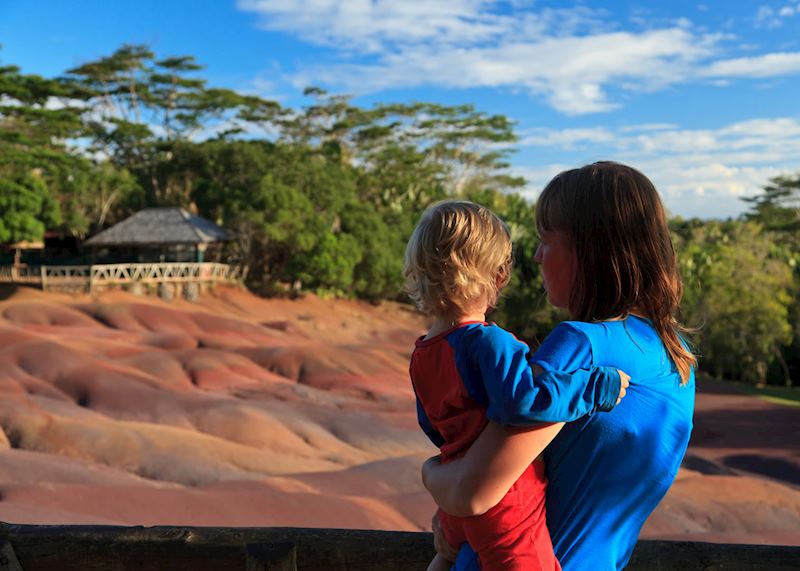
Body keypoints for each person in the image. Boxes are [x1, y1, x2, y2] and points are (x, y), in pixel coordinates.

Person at [421, 162, 696, 571]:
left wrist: (430, 474)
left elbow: (472, 493)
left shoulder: (582, 344)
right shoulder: (677, 357)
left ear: (591, 250)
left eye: (546, 240)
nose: (535, 256)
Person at [404, 200, 629, 571]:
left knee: (446, 558)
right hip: (506, 501)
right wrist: (594, 388)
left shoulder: (422, 353)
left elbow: (430, 425)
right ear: (498, 276)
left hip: (457, 497)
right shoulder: (488, 342)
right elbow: (524, 403)